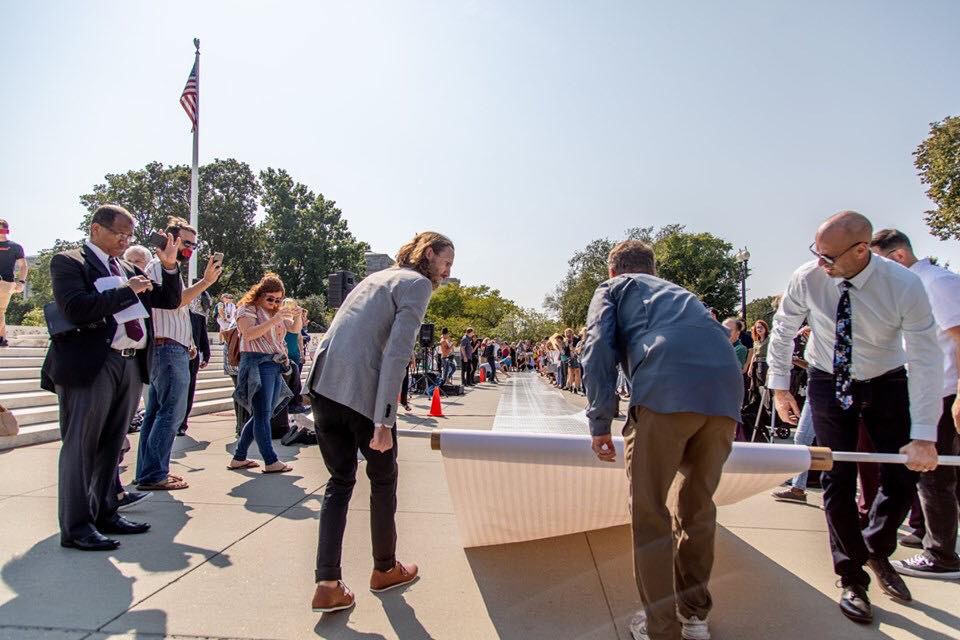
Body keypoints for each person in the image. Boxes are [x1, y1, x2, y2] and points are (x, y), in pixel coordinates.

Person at [767, 211, 942, 624]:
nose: (820, 263)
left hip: (885, 378)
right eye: (817, 252)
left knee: (903, 473)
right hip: (827, 376)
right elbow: (783, 326)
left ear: (861, 250)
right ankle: (851, 577)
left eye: (828, 256)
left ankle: (876, 548)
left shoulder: (903, 285)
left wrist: (924, 433)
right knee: (836, 475)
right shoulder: (808, 277)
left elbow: (926, 357)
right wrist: (779, 387)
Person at [582, 240, 742, 640]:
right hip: (725, 391)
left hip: (665, 386)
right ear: (654, 269)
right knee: (699, 507)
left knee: (650, 511)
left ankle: (660, 627)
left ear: (613, 270)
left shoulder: (614, 288)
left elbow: (596, 348)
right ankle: (695, 616)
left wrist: (600, 421)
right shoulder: (683, 295)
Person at [307, 231, 454, 614]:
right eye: (446, 262)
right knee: (383, 480)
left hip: (324, 385)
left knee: (339, 482)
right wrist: (385, 419)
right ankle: (385, 568)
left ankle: (326, 583)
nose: (448, 271)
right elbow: (397, 354)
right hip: (362, 392)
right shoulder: (418, 284)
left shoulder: (375, 279)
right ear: (428, 255)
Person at [41, 205, 182, 551]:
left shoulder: (126, 267)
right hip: (92, 364)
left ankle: (105, 511)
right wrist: (127, 291)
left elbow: (169, 299)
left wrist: (168, 265)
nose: (124, 240)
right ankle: (76, 527)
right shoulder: (69, 262)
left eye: (129, 235)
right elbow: (75, 308)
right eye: (119, 233)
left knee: (111, 444)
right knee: (81, 447)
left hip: (129, 363)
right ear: (95, 229)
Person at [870, 228, 960, 579]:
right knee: (937, 475)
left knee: (934, 475)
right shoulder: (918, 287)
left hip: (945, 393)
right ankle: (934, 536)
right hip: (933, 392)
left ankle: (941, 554)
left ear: (899, 258)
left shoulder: (935, 284)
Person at [135, 217, 222, 491]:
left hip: (172, 346)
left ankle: (151, 471)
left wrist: (188, 342)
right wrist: (206, 282)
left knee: (157, 413)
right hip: (167, 348)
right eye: (186, 243)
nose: (190, 250)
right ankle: (153, 473)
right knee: (171, 412)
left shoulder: (167, 269)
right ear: (169, 240)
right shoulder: (159, 266)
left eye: (193, 245)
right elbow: (175, 302)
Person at [228, 273, 295, 473]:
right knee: (263, 414)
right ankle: (270, 460)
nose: (275, 303)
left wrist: (298, 318)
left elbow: (294, 330)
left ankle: (239, 457)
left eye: (278, 299)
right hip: (257, 361)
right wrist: (274, 320)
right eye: (270, 299)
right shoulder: (247, 309)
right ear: (259, 294)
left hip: (274, 363)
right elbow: (248, 334)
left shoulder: (276, 312)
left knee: (261, 415)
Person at [178, 293, 212, 436]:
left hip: (192, 358)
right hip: (176, 356)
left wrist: (206, 354)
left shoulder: (197, 316)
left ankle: (182, 423)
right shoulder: (175, 314)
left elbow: (203, 335)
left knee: (189, 391)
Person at [0, 218, 28, 347]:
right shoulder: (16, 247)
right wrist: (21, 282)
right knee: (0, 311)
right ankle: (2, 338)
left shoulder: (15, 247)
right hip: (8, 285)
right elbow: (23, 266)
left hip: (5, 284)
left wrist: (21, 282)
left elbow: (23, 265)